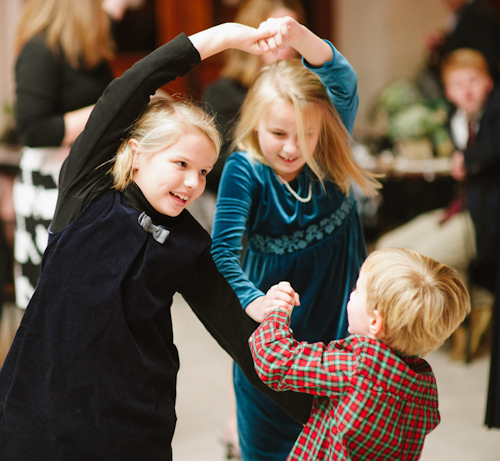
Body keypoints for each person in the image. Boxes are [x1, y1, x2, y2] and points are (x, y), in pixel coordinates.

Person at [0, 21, 314, 459]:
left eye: (204, 172)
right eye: (181, 163)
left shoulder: (189, 242)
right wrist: (218, 39)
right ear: (136, 153)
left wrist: (319, 411)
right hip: (39, 405)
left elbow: (235, 329)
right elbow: (129, 88)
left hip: (133, 418)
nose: (193, 182)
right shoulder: (85, 193)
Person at [211, 15, 381, 461]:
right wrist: (255, 303)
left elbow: (342, 80)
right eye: (279, 134)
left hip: (341, 318)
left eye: (306, 133)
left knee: (346, 437)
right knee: (269, 437)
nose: (292, 148)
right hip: (276, 320)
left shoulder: (329, 149)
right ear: (255, 126)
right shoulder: (244, 170)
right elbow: (222, 251)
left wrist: (301, 38)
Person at [250, 247, 471, 461]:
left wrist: (276, 313)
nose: (351, 294)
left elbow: (276, 361)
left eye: (357, 289)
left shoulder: (356, 366)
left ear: (374, 321)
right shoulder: (425, 388)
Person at [12, 0, 137, 309]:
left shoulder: (90, 55)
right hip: (48, 189)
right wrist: (108, 110)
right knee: (52, 304)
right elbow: (34, 129)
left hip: (85, 181)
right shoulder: (40, 50)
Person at [376, 48, 497, 361]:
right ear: (448, 91)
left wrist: (467, 161)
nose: (467, 90)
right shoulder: (457, 119)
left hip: (484, 217)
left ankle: (467, 309)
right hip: (458, 208)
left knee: (427, 258)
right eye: (458, 84)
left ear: (488, 82)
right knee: (389, 247)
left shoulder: (495, 113)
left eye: (473, 80)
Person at [203, 0, 306, 195]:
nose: (284, 45)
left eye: (291, 36)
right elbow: (217, 167)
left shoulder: (300, 92)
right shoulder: (221, 94)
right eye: (275, 35)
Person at [424, 0, 500, 94]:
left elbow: (488, 56)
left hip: (477, 85)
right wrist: (444, 40)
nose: (446, 2)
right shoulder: (460, 12)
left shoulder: (480, 13)